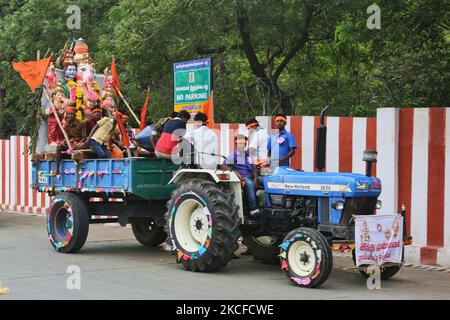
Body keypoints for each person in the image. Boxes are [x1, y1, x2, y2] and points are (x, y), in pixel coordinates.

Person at [222, 135, 260, 218]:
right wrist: (235, 172)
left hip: (251, 176)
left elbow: (254, 168)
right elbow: (224, 165)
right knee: (250, 184)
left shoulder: (248, 156)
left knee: (267, 182)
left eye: (243, 144)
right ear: (236, 144)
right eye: (240, 144)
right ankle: (253, 209)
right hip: (243, 177)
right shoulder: (233, 155)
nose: (242, 145)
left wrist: (256, 178)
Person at [54, 106, 86, 175]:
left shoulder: (81, 123)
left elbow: (84, 138)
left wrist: (77, 144)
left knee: (77, 148)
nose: (70, 116)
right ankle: (57, 169)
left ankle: (78, 167)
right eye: (68, 114)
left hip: (78, 143)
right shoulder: (66, 125)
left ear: (74, 115)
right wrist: (64, 141)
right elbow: (67, 138)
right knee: (59, 147)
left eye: (71, 114)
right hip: (70, 143)